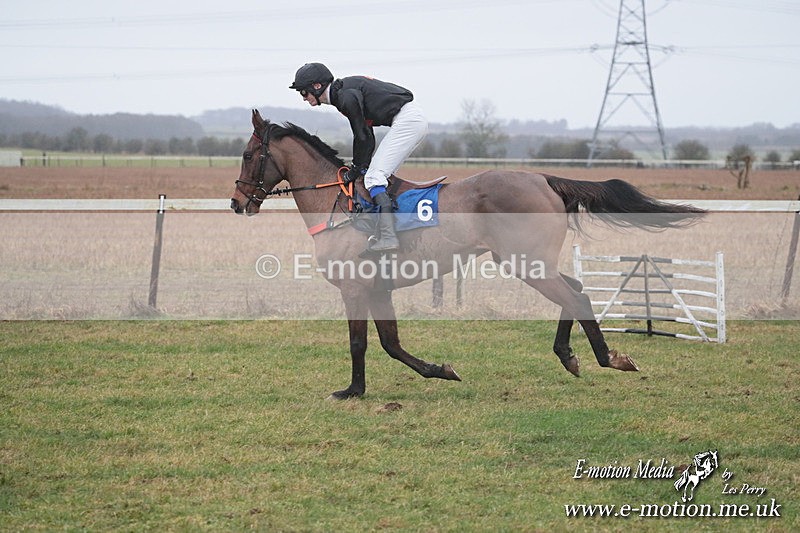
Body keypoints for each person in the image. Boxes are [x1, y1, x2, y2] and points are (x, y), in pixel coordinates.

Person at [290, 62, 428, 252]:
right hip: (409, 119)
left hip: (408, 121)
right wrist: (360, 166)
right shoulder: (342, 94)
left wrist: (356, 168)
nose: (303, 98)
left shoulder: (344, 97)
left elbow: (362, 136)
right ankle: (391, 229)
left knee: (374, 178)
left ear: (317, 86)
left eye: (304, 92)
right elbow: (367, 136)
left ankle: (389, 237)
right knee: (378, 177)